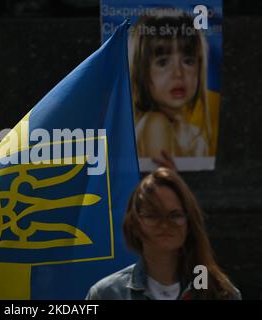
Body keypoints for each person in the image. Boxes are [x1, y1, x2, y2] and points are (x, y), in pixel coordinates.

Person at [86, 168, 241, 300]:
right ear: (134, 225)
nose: (165, 224)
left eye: (175, 215)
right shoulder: (106, 294)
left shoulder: (220, 293)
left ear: (189, 223)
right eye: (153, 215)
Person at [128, 11, 212, 162]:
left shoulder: (192, 133)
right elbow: (164, 183)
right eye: (163, 62)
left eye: (188, 61)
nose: (178, 73)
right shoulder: (156, 123)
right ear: (141, 71)